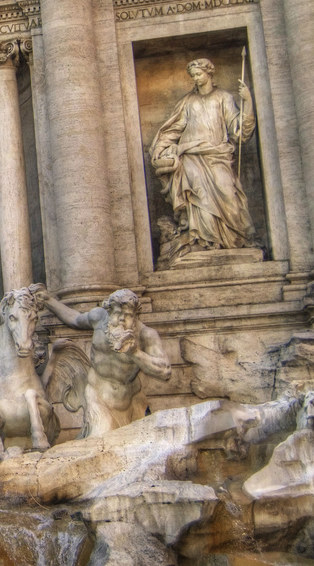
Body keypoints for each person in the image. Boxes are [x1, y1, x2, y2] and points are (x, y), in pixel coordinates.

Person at [150, 58, 256, 260]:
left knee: (229, 195)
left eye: (199, 74)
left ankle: (231, 239)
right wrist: (160, 149)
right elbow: (173, 130)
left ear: (209, 73)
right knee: (198, 198)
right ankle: (203, 241)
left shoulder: (223, 98)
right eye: (193, 76)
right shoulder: (187, 102)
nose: (196, 78)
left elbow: (239, 131)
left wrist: (248, 101)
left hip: (218, 156)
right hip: (191, 157)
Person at [41, 289, 172, 438]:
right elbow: (74, 319)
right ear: (109, 313)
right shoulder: (98, 319)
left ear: (136, 316)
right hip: (98, 397)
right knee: (101, 439)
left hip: (131, 400)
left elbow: (165, 371)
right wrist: (48, 301)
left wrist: (135, 353)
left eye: (128, 315)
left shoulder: (145, 335)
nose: (122, 319)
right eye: (117, 314)